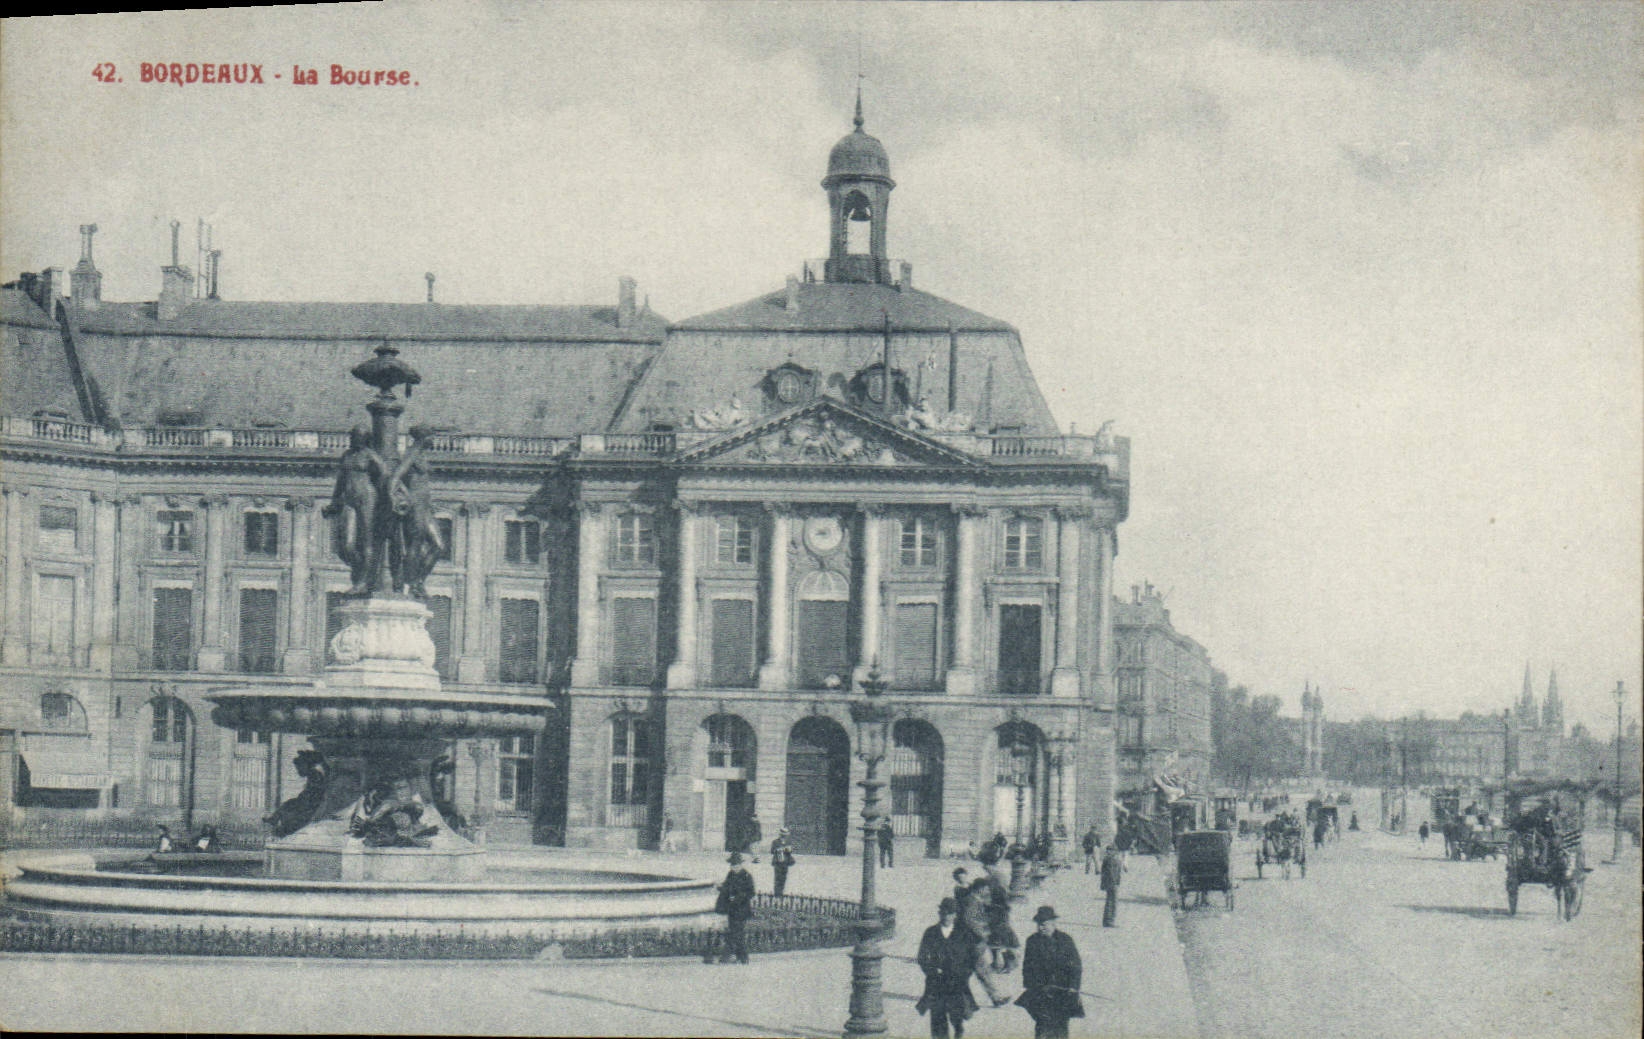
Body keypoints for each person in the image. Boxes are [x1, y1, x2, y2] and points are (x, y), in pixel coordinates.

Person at [321, 426, 388, 595]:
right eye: (352, 436)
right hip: (349, 501)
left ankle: (363, 581)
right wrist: (334, 502)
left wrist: (384, 500)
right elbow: (340, 482)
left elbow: (385, 477)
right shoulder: (347, 456)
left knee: (367, 541)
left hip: (367, 499)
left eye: (355, 436)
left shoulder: (371, 456)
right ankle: (363, 572)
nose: (352, 439)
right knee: (346, 546)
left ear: (364, 438)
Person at [386, 424, 444, 597]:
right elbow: (395, 477)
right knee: (414, 546)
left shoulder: (420, 455)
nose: (433, 440)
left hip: (425, 506)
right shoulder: (411, 454)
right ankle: (411, 584)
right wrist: (398, 498)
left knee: (439, 546)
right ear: (424, 438)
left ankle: (417, 580)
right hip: (415, 506)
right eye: (431, 436)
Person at [917, 897, 980, 1039]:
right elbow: (921, 957)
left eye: (950, 913)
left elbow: (973, 957)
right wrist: (931, 971)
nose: (946, 916)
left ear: (955, 915)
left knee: (956, 1015)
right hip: (936, 981)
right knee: (937, 1018)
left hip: (957, 982)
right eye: (943, 913)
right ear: (939, 914)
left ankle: (959, 1030)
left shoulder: (963, 934)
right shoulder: (931, 932)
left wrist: (965, 973)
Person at [1017, 906, 1084, 1039]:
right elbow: (1027, 966)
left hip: (1062, 992)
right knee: (1042, 1026)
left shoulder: (1066, 940)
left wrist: (1073, 987)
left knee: (1060, 1027)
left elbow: (1076, 966)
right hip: (1042, 991)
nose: (1041, 928)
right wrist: (1033, 986)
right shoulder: (1032, 941)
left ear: (1054, 923)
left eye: (1044, 924)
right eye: (1039, 925)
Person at [712, 851, 756, 964]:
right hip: (732, 909)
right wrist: (720, 887)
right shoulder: (730, 875)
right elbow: (727, 888)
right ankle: (741, 957)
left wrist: (738, 897)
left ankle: (730, 957)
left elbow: (751, 892)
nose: (734, 867)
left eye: (736, 864)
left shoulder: (747, 876)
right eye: (732, 865)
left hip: (742, 909)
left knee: (736, 933)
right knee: (736, 932)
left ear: (741, 864)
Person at [1099, 843, 1123, 927]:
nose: (1110, 852)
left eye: (1111, 850)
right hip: (1112, 883)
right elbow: (1111, 872)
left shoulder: (1109, 859)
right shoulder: (1111, 860)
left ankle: (1107, 921)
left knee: (1110, 901)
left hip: (1111, 883)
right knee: (1112, 902)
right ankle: (1110, 921)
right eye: (1109, 850)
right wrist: (1115, 883)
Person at [770, 827, 796, 896]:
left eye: (785, 835)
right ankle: (777, 893)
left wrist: (788, 850)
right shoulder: (775, 842)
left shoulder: (788, 842)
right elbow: (772, 851)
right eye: (783, 834)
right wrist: (780, 849)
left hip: (785, 863)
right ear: (780, 835)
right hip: (778, 863)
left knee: (784, 878)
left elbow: (790, 852)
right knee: (777, 878)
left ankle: (781, 892)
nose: (784, 836)